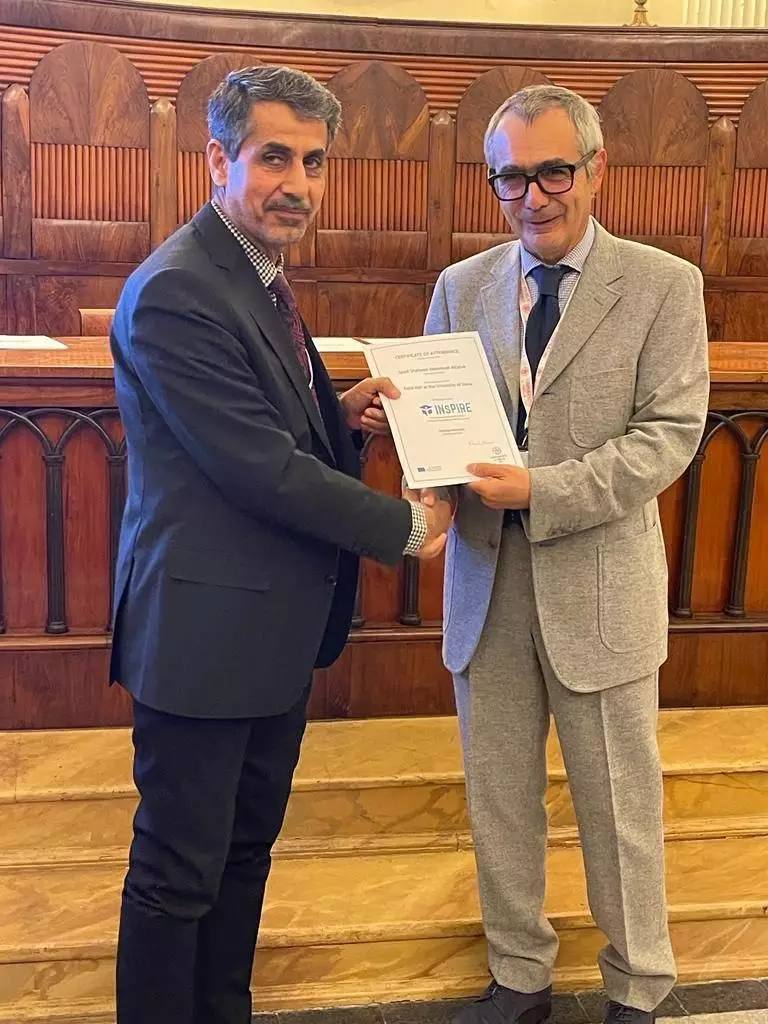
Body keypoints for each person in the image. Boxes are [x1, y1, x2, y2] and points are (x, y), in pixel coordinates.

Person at [109, 64, 452, 1024]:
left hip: (267, 637)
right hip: (202, 639)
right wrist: (408, 526)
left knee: (244, 854)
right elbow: (257, 469)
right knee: (179, 872)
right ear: (217, 160)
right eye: (273, 158)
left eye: (313, 162)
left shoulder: (254, 273)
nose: (297, 183)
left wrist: (340, 415)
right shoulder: (179, 288)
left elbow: (263, 429)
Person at [424, 85, 710, 1024]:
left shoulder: (664, 285)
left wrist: (543, 490)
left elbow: (668, 436)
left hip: (598, 589)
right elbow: (437, 432)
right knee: (500, 801)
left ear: (595, 171)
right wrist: (421, 481)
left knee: (620, 807)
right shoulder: (460, 287)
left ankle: (639, 986)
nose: (532, 196)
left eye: (553, 172)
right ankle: (519, 979)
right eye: (511, 177)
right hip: (486, 584)